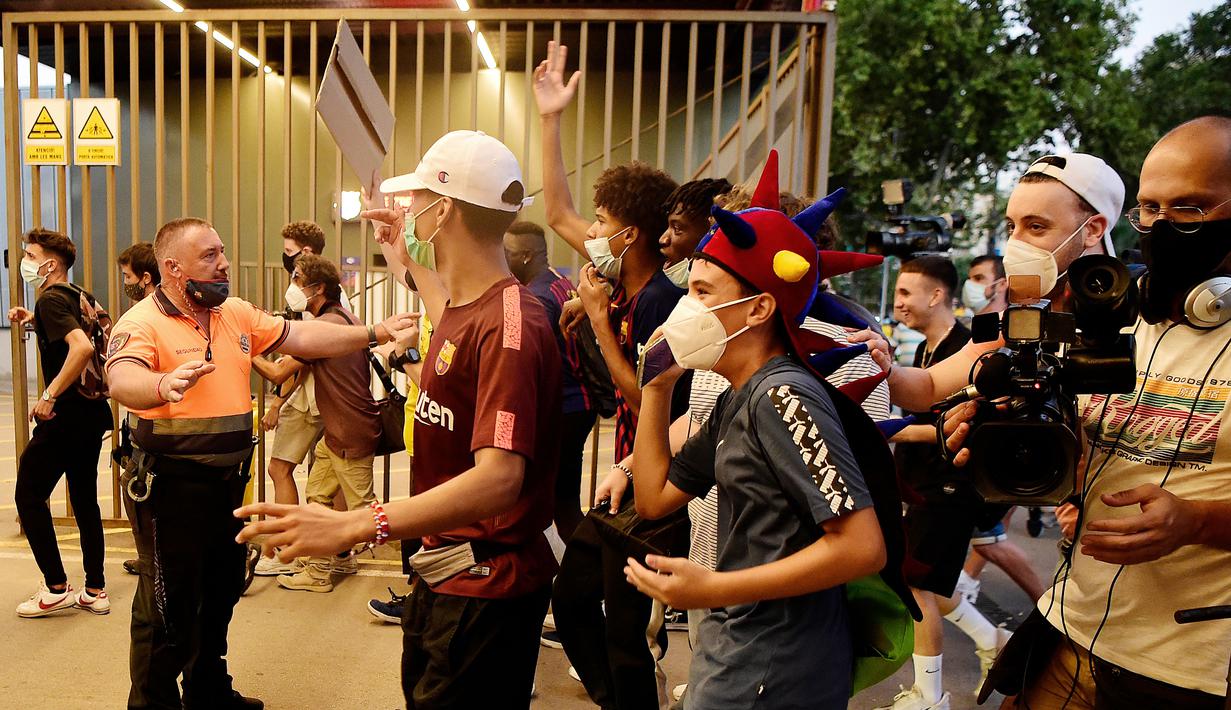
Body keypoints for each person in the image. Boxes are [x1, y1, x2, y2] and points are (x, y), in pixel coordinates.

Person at [239, 130, 562, 709]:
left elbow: (498, 479)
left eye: (417, 202)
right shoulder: (470, 308)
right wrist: (402, 251)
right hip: (447, 575)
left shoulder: (512, 327)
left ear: (446, 211)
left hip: (485, 589)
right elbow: (446, 312)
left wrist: (357, 524)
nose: (408, 212)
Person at [946, 116, 1231, 709]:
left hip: (1190, 675)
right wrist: (1001, 425)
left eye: (1188, 209)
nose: (1161, 225)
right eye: (1148, 208)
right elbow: (1077, 455)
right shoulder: (1114, 320)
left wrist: (1198, 522)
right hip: (1069, 631)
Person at [622, 160, 904, 709]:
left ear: (758, 309)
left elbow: (862, 546)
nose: (685, 307)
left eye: (702, 291)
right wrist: (656, 388)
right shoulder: (738, 396)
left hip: (775, 665)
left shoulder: (782, 396)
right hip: (737, 647)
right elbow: (654, 499)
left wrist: (713, 588)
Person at [106, 216, 415, 710]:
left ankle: (208, 693)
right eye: (210, 255)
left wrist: (373, 332)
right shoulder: (141, 322)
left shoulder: (234, 313)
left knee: (221, 590)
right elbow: (123, 378)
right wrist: (162, 384)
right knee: (166, 606)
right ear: (173, 267)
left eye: (222, 251)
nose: (224, 263)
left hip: (227, 484)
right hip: (170, 488)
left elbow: (304, 338)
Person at [535, 40, 687, 707]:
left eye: (603, 222)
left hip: (653, 481)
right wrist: (550, 119)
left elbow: (647, 396)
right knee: (574, 601)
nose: (590, 232)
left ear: (632, 235)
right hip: (625, 475)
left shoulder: (659, 302)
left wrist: (597, 320)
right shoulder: (619, 277)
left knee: (624, 629)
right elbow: (556, 213)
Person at [850, 150, 1126, 413]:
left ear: (1092, 230)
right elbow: (930, 387)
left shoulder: (1141, 322)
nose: (1015, 243)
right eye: (1011, 226)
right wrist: (886, 369)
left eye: (1036, 226)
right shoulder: (1017, 325)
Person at [880, 255, 1009, 710]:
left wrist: (884, 429)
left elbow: (954, 428)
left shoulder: (968, 350)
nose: (898, 303)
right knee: (929, 583)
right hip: (921, 483)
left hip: (951, 486)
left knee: (916, 586)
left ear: (936, 296)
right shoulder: (924, 349)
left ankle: (929, 697)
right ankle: (992, 639)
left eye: (905, 293)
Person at [251, 254, 382, 593]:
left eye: (297, 279)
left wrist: (245, 347)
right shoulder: (344, 318)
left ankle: (417, 576)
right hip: (340, 432)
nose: (292, 286)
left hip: (348, 432)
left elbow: (278, 372)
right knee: (318, 495)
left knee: (367, 513)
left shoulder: (325, 328)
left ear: (318, 288)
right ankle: (324, 567)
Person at [9, 228, 113, 618]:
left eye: (30, 256)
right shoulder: (78, 295)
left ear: (50, 264)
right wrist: (34, 319)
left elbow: (81, 347)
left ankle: (55, 587)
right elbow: (82, 334)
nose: (25, 262)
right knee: (85, 499)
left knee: (28, 495)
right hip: (91, 414)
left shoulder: (51, 298)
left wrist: (49, 394)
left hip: (64, 415)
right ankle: (95, 589)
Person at [503, 220, 595, 542]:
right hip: (578, 405)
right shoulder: (559, 281)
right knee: (564, 502)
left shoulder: (537, 298)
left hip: (563, 410)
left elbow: (530, 362)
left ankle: (588, 566)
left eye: (507, 252)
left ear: (526, 256)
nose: (503, 257)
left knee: (560, 506)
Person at [117, 242, 162, 577]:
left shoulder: (147, 316)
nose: (125, 283)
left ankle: (150, 560)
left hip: (154, 422)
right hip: (149, 420)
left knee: (135, 486)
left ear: (146, 278)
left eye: (127, 276)